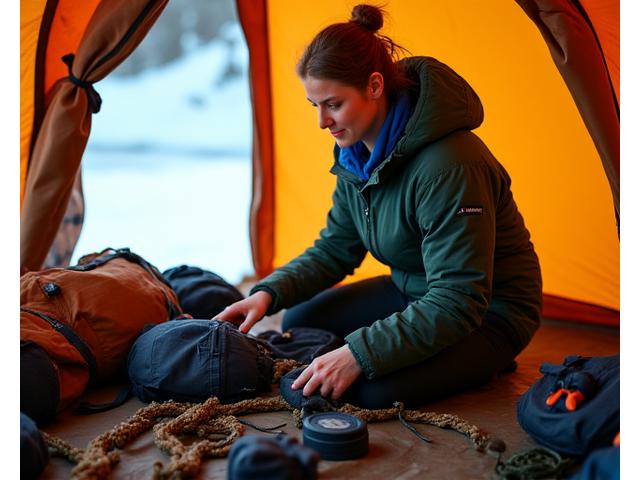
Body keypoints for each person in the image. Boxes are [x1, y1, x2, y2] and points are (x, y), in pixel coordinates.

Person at [216, 4, 542, 409]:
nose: (322, 122)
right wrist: (267, 294)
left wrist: (359, 354)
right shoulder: (357, 156)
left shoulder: (451, 166)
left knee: (365, 391)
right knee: (300, 323)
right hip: (412, 289)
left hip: (487, 314)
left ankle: (485, 361)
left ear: (374, 86)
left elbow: (458, 299)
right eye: (314, 105)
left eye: (333, 104)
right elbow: (336, 248)